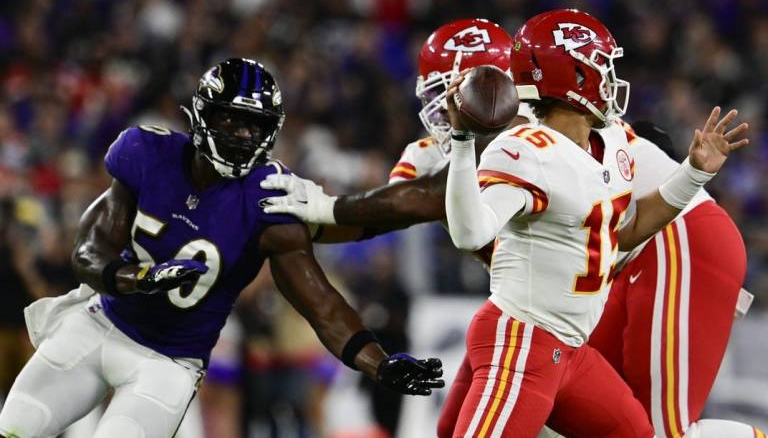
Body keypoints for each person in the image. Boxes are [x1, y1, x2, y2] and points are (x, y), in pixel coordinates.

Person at [261, 12, 758, 437]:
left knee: (659, 427)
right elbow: (394, 209)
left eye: (461, 87)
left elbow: (421, 200)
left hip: (672, 241)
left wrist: (326, 207)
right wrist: (299, 219)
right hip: (566, 300)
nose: (446, 106)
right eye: (438, 93)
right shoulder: (490, 141)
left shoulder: (543, 133)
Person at [0, 58, 443, 438]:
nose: (244, 135)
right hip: (101, 324)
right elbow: (89, 252)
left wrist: (378, 364)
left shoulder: (270, 198)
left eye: (256, 126)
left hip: (168, 361)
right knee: (17, 423)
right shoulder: (148, 152)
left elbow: (320, 303)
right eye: (233, 119)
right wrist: (138, 279)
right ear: (202, 115)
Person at [442, 9, 746, 437]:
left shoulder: (612, 141)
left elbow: (624, 235)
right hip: (523, 342)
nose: (610, 78)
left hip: (570, 351)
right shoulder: (527, 149)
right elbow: (470, 232)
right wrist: (460, 143)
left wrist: (694, 172)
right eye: (603, 67)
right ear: (578, 79)